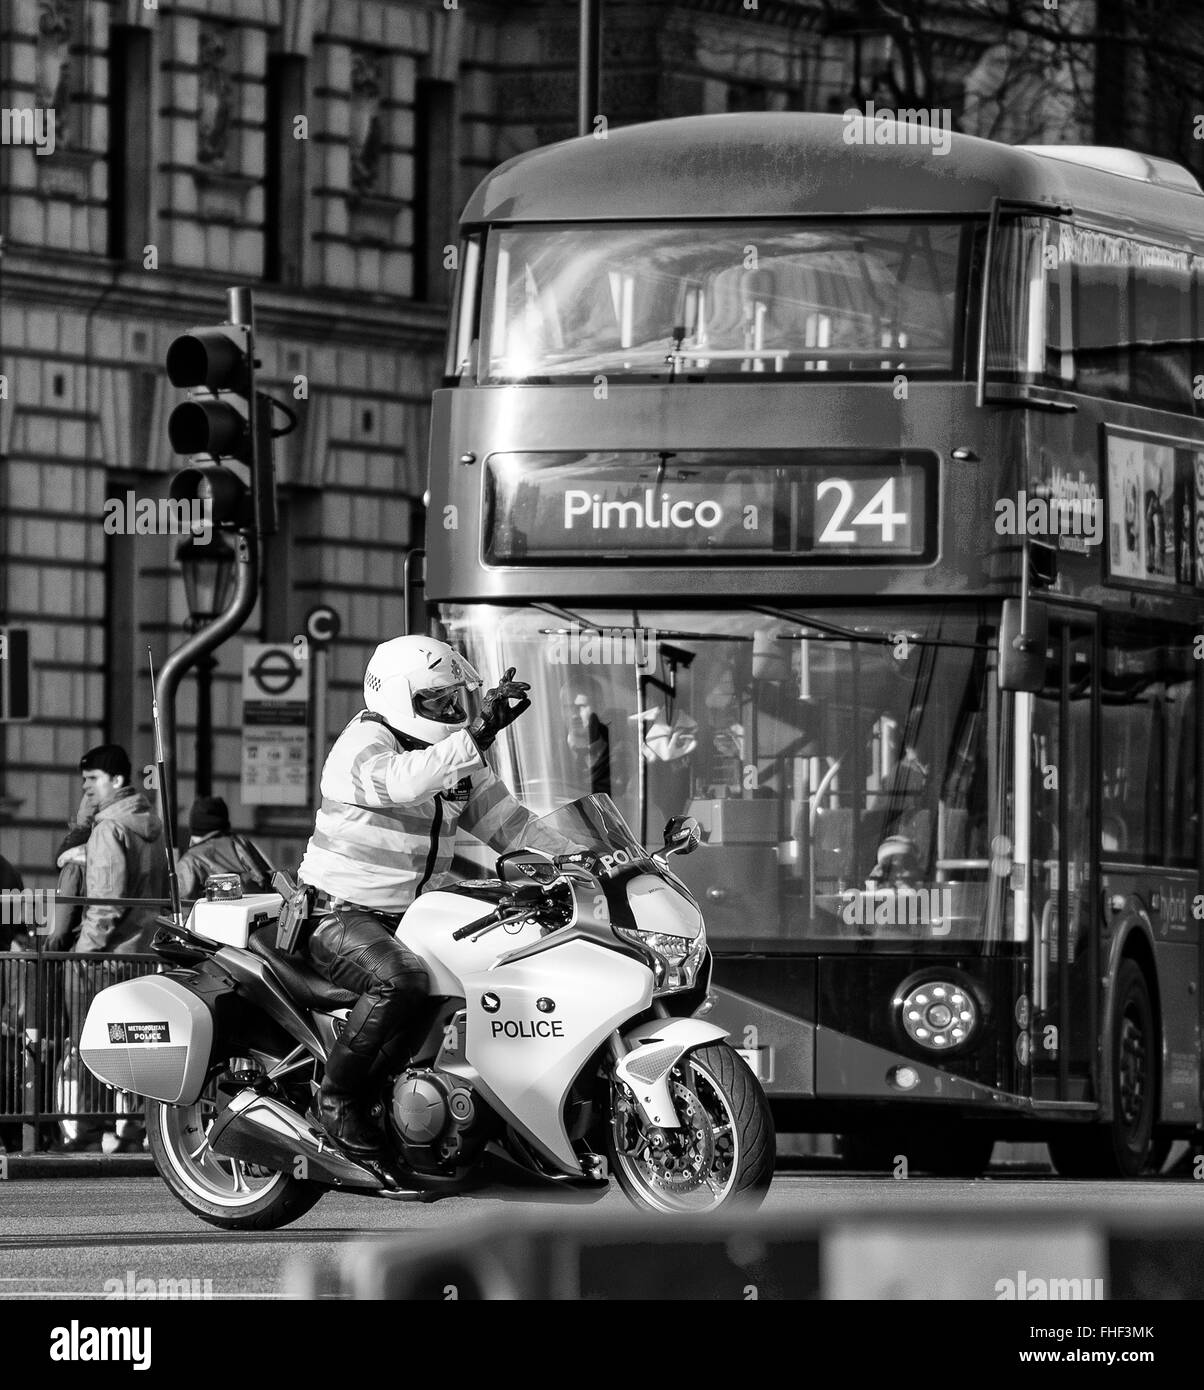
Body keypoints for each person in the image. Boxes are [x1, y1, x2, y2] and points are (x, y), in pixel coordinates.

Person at [297, 635, 571, 1157]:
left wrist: (587, 859)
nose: (449, 710)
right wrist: (477, 732)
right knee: (402, 981)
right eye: (436, 700)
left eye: (453, 700)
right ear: (399, 696)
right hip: (339, 913)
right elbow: (402, 784)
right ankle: (337, 1101)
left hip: (413, 916)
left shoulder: (450, 758)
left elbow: (511, 826)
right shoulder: (363, 744)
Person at [176, 796, 273, 900]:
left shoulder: (191, 860)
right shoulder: (243, 844)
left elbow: (183, 906)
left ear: (194, 829)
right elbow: (269, 882)